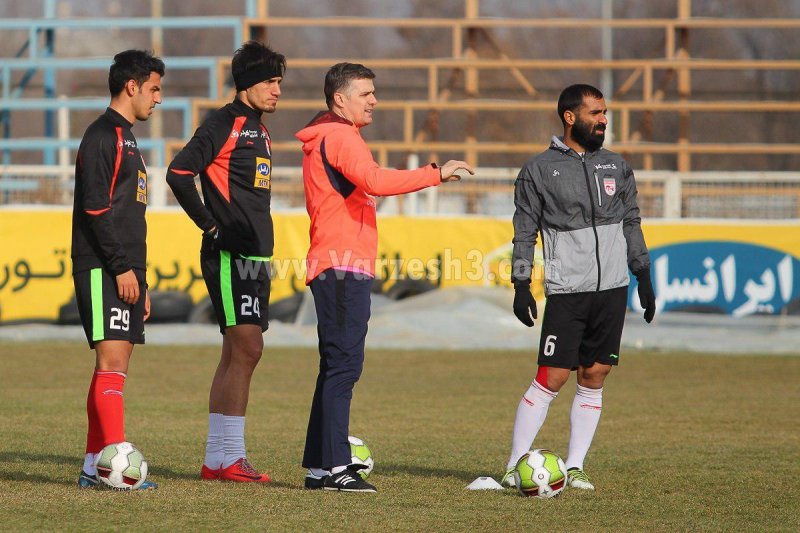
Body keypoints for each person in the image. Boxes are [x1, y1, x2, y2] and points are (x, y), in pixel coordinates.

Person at [296, 62, 474, 493]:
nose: (374, 100)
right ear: (340, 99)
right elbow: (374, 180)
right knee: (344, 366)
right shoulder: (341, 137)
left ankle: (321, 467)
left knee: (334, 366)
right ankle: (337, 469)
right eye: (365, 93)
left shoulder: (330, 134)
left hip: (336, 264)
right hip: (342, 266)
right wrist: (435, 173)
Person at [501, 83, 656, 491]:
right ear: (570, 118)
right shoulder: (538, 170)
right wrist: (521, 283)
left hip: (613, 289)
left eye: (605, 113)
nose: (603, 120)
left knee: (595, 373)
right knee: (552, 376)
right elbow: (524, 231)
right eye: (595, 113)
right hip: (568, 289)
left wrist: (642, 274)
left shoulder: (617, 166)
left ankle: (575, 467)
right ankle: (514, 464)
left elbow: (631, 221)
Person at [166, 41, 285, 483]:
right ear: (247, 83)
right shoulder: (224, 123)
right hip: (230, 255)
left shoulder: (258, 129)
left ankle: (216, 460)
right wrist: (212, 227)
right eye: (270, 82)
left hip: (255, 256)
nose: (277, 90)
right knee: (249, 348)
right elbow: (179, 173)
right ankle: (232, 456)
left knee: (235, 352)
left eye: (279, 82)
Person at [72, 49, 164, 490]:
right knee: (110, 363)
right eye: (154, 89)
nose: (158, 98)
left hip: (124, 270)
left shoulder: (127, 137)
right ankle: (117, 465)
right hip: (102, 266)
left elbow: (126, 214)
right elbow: (95, 209)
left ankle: (95, 466)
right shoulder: (102, 135)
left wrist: (139, 279)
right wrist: (121, 268)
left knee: (114, 366)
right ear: (132, 86)